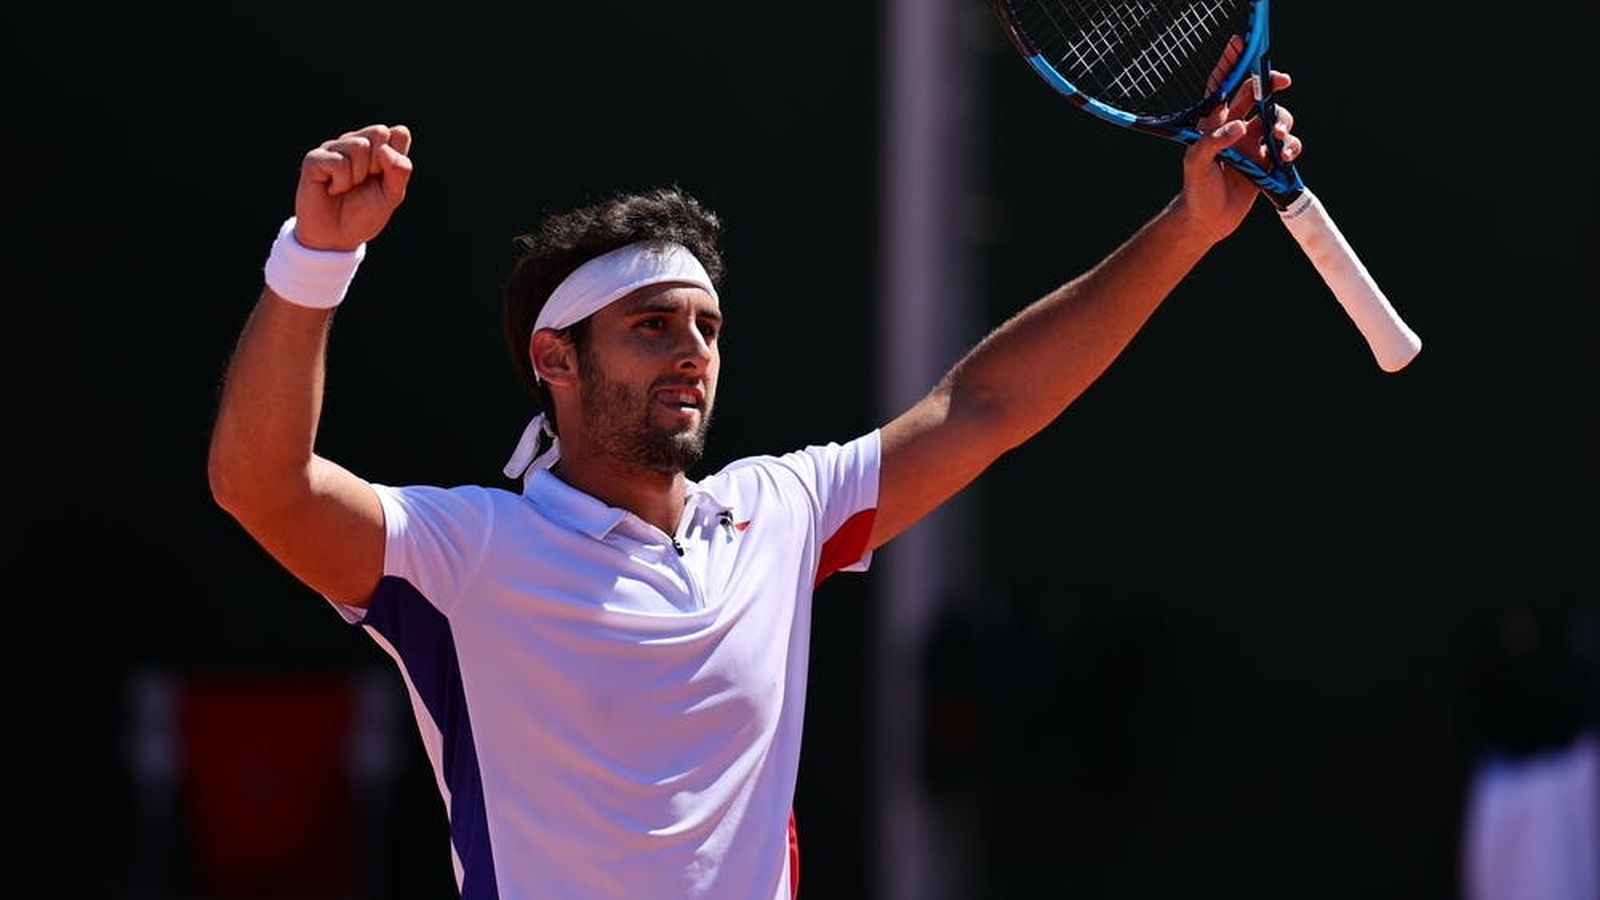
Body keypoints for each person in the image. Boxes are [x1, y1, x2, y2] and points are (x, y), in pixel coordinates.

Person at [207, 69, 1303, 899]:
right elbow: (261, 485)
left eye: (707, 328)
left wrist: (1189, 227)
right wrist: (316, 257)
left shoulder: (778, 513)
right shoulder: (463, 555)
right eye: (650, 327)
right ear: (554, 361)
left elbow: (984, 408)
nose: (691, 352)